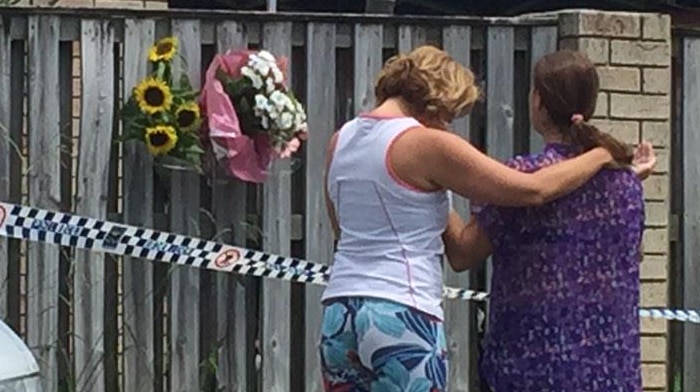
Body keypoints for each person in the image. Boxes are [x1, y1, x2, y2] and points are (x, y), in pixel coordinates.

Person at [317, 45, 641, 392]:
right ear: (435, 102)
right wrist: (603, 155)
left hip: (340, 313)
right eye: (451, 115)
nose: (448, 124)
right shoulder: (427, 143)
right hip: (401, 313)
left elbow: (343, 229)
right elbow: (533, 189)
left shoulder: (342, 139)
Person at [444, 49, 652, 391]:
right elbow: (633, 254)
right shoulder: (627, 184)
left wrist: (432, 189)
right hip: (612, 371)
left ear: (538, 101)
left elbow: (463, 253)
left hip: (530, 366)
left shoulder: (523, 176)